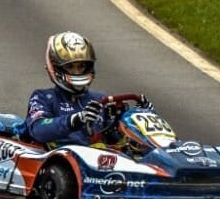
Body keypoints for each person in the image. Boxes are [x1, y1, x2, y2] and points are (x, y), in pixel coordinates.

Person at [17, 32, 153, 147]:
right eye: (70, 67)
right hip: (58, 162)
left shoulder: (100, 99)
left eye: (81, 66)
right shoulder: (43, 98)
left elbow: (116, 140)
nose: (76, 72)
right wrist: (76, 120)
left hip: (99, 166)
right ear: (56, 67)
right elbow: (39, 130)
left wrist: (140, 118)